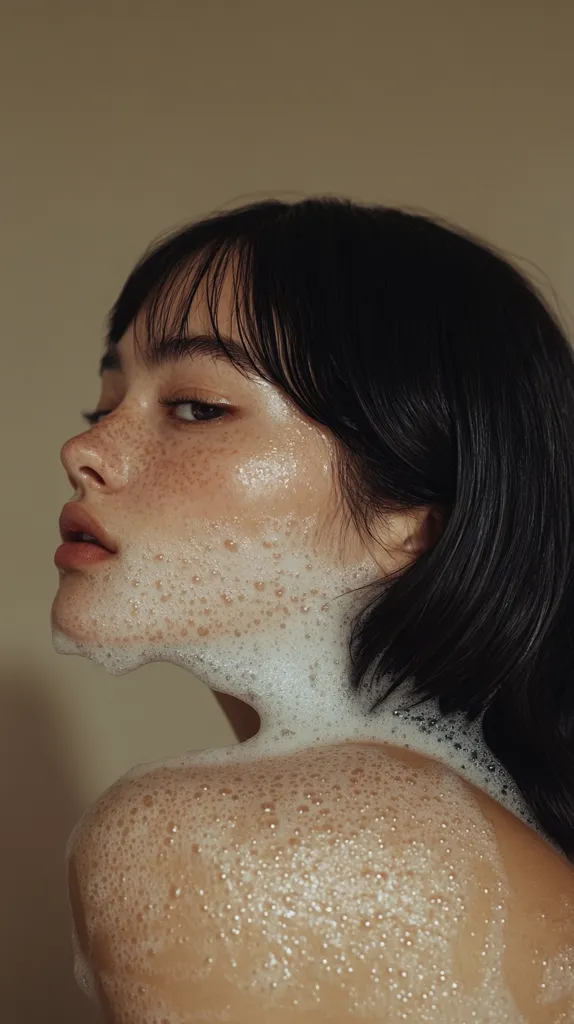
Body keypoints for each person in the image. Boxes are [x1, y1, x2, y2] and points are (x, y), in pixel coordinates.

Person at [52, 197, 574, 1022]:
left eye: (195, 407)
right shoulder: (479, 845)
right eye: (104, 404)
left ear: (410, 521)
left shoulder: (225, 847)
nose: (84, 451)